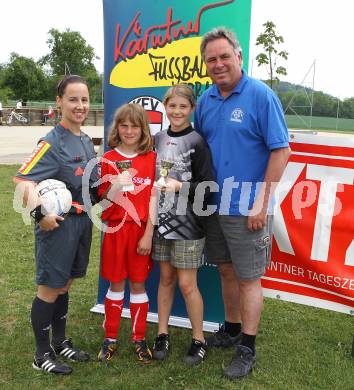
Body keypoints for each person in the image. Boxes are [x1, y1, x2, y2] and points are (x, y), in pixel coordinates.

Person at [194, 27, 291, 379]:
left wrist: (262, 201)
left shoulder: (261, 96)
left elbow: (282, 150)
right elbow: (198, 150)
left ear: (239, 57)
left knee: (249, 279)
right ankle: (232, 328)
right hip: (213, 205)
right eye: (211, 59)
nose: (218, 64)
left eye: (224, 56)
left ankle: (247, 347)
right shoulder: (205, 100)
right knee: (225, 270)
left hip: (248, 207)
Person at [13, 75, 98, 375]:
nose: (80, 105)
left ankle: (60, 341)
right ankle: (41, 354)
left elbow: (91, 186)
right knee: (49, 288)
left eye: (84, 99)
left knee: (64, 285)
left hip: (82, 222)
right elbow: (24, 181)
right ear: (59, 101)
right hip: (58, 227)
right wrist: (40, 215)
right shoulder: (50, 141)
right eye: (73, 99)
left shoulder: (86, 141)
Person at [151, 84, 214, 365]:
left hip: (188, 225)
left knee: (188, 285)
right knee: (165, 279)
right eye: (172, 106)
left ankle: (198, 339)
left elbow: (208, 188)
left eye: (183, 106)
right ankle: (162, 332)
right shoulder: (158, 138)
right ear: (165, 106)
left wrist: (179, 186)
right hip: (162, 223)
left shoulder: (197, 141)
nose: (177, 111)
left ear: (192, 109)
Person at [97, 103, 156, 364]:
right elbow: (103, 202)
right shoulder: (108, 159)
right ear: (117, 128)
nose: (129, 131)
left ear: (143, 129)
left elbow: (154, 198)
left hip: (140, 230)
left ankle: (139, 338)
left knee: (138, 283)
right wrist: (114, 189)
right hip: (115, 230)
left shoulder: (151, 158)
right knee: (116, 283)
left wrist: (149, 234)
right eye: (124, 125)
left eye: (135, 126)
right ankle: (110, 337)